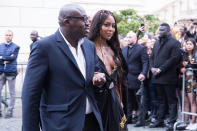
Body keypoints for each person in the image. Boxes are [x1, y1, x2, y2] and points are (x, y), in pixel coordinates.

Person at [22, 4, 105, 131]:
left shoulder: (89, 46)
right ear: (67, 22)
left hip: (91, 122)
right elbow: (30, 94)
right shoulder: (44, 47)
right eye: (84, 19)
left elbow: (95, 72)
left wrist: (99, 79)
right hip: (60, 124)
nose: (89, 23)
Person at [88, 10, 128, 131]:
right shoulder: (86, 48)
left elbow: (122, 77)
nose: (111, 29)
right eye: (106, 25)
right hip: (96, 104)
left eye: (113, 26)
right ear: (97, 25)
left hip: (115, 102)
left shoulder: (114, 48)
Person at [149, 23, 181, 131]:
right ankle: (159, 120)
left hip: (168, 77)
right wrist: (152, 68)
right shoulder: (157, 42)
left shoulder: (175, 43)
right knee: (160, 100)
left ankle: (172, 122)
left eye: (162, 30)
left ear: (168, 31)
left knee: (171, 100)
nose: (160, 31)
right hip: (156, 77)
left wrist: (160, 69)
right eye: (159, 29)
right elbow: (152, 57)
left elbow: (174, 59)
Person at [122, 31, 149, 126]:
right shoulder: (124, 49)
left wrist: (143, 73)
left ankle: (141, 121)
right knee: (128, 100)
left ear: (135, 38)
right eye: (127, 37)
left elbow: (145, 62)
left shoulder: (142, 49)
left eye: (130, 37)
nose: (128, 39)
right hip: (126, 79)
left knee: (140, 101)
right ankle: (128, 118)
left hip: (138, 78)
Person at [0, 29, 20, 118]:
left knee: (12, 93)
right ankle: (1, 109)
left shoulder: (16, 47)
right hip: (1, 72)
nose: (8, 36)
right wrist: (6, 58)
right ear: (5, 36)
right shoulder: (0, 46)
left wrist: (2, 57)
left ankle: (10, 111)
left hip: (11, 72)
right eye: (7, 35)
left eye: (10, 35)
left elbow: (13, 58)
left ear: (12, 36)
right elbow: (8, 58)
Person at [180, 38, 197, 130]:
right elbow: (179, 65)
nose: (189, 45)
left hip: (191, 79)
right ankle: (185, 121)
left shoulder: (196, 54)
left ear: (194, 45)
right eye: (187, 44)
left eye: (191, 44)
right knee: (185, 101)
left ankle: (193, 121)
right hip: (183, 80)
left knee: (192, 100)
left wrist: (189, 65)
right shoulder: (183, 54)